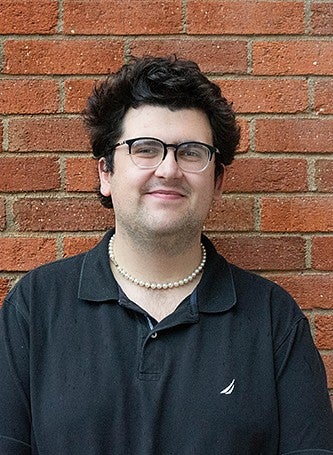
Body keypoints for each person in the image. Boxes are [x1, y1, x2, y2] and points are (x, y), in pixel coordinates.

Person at [0, 55, 332, 455]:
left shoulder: (273, 318)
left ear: (218, 182)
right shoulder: (35, 307)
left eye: (191, 152)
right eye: (145, 149)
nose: (169, 169)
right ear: (106, 172)